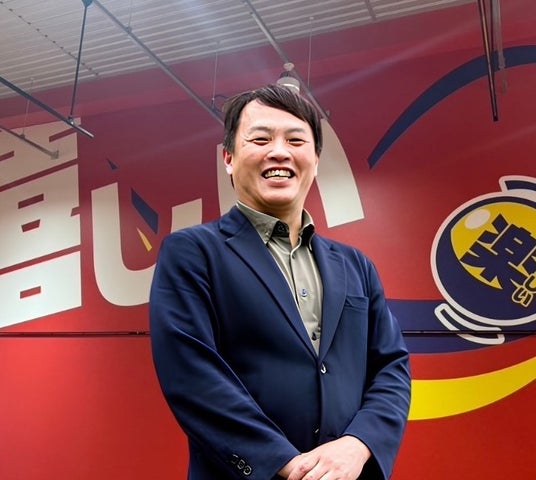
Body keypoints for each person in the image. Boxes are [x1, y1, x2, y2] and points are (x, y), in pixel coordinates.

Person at [150, 84, 411, 480]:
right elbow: (192, 377)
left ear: (315, 160)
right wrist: (285, 465)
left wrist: (358, 444)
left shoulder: (355, 265)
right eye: (260, 139)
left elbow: (391, 366)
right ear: (228, 158)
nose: (279, 152)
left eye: (295, 140)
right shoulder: (192, 253)